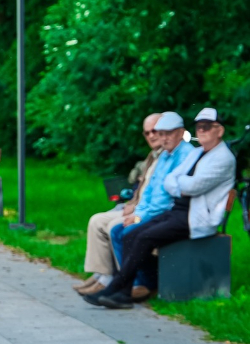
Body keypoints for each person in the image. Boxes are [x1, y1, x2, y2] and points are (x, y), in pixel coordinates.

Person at [85, 108, 235, 309]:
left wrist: (180, 184)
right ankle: (123, 293)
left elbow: (194, 186)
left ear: (220, 130)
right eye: (199, 127)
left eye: (207, 127)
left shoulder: (223, 158)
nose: (201, 131)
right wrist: (181, 184)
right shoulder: (198, 152)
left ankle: (117, 289)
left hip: (195, 218)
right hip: (178, 212)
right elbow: (169, 182)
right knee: (130, 235)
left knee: (143, 237)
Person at [75, 113, 162, 297]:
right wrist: (132, 203)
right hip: (137, 206)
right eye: (147, 133)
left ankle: (124, 280)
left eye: (155, 131)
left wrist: (136, 207)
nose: (151, 136)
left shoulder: (167, 156)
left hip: (149, 211)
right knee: (96, 221)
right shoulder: (153, 156)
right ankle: (102, 275)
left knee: (114, 225)